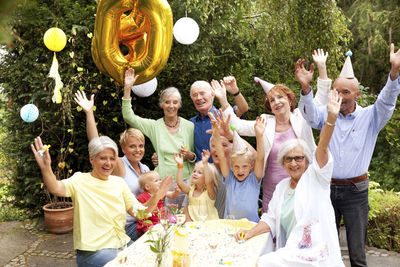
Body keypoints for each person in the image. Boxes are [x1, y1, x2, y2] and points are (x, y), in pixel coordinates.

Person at [296, 44, 400, 267]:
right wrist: (306, 88)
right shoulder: (327, 114)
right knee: (324, 249)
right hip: (326, 189)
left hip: (356, 191)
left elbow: (386, 101)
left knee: (357, 253)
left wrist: (394, 73)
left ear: (357, 94)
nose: (340, 96)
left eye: (346, 92)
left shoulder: (371, 117)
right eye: (337, 91)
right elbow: (309, 115)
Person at [235, 90, 344, 266]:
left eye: (298, 158)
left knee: (264, 262)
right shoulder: (282, 187)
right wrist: (250, 232)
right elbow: (270, 219)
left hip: (318, 254)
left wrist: (331, 118)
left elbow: (322, 148)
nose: (293, 163)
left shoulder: (317, 178)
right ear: (282, 163)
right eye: (288, 159)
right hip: (292, 252)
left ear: (307, 160)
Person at [31, 136, 173, 267]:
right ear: (92, 159)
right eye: (103, 158)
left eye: (112, 159)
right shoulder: (80, 180)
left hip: (122, 244)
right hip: (93, 251)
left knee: (155, 259)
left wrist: (157, 196)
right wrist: (46, 168)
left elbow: (140, 213)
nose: (108, 163)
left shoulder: (119, 183)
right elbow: (55, 188)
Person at [221, 49, 331, 213]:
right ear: (269, 107)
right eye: (272, 100)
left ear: (290, 99)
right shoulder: (265, 122)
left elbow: (321, 98)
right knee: (273, 233)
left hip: (303, 186)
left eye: (280, 97)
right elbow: (236, 124)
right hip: (272, 191)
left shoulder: (302, 116)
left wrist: (322, 67)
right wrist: (224, 97)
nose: (276, 102)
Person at [74, 90, 151, 242]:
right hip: (126, 227)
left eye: (141, 146)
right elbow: (96, 143)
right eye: (132, 146)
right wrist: (89, 113)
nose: (138, 150)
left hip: (143, 220)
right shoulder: (119, 165)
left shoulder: (146, 169)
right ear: (123, 149)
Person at [122, 68, 195, 207]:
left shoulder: (189, 126)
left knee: (187, 220)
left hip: (187, 181)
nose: (171, 106)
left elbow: (194, 157)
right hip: (163, 183)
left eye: (175, 102)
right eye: (167, 102)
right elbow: (128, 116)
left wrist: (191, 156)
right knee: (166, 221)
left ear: (179, 105)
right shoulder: (154, 126)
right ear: (162, 104)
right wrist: (127, 88)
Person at [212, 114, 265, 222]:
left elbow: (260, 157)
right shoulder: (230, 178)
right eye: (236, 166)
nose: (240, 170)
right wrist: (216, 134)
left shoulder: (254, 179)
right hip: (231, 225)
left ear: (251, 165)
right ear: (231, 165)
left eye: (244, 166)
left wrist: (259, 135)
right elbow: (221, 156)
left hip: (251, 225)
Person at [190, 77, 249, 163]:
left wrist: (235, 91)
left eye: (202, 93)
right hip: (202, 173)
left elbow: (243, 108)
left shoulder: (223, 114)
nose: (199, 98)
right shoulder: (191, 123)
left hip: (224, 172)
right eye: (195, 95)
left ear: (212, 94)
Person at [174, 150, 219, 221]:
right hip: (194, 226)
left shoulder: (210, 192)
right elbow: (180, 183)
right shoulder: (191, 190)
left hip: (209, 226)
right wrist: (180, 166)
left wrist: (205, 164)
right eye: (194, 171)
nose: (195, 173)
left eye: (200, 172)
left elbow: (208, 181)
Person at [136, 171, 180, 236]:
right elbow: (141, 215)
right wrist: (149, 226)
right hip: (149, 223)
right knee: (153, 234)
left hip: (160, 220)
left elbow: (171, 195)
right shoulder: (141, 197)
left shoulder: (161, 192)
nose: (160, 182)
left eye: (160, 179)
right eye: (156, 181)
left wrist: (176, 192)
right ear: (147, 187)